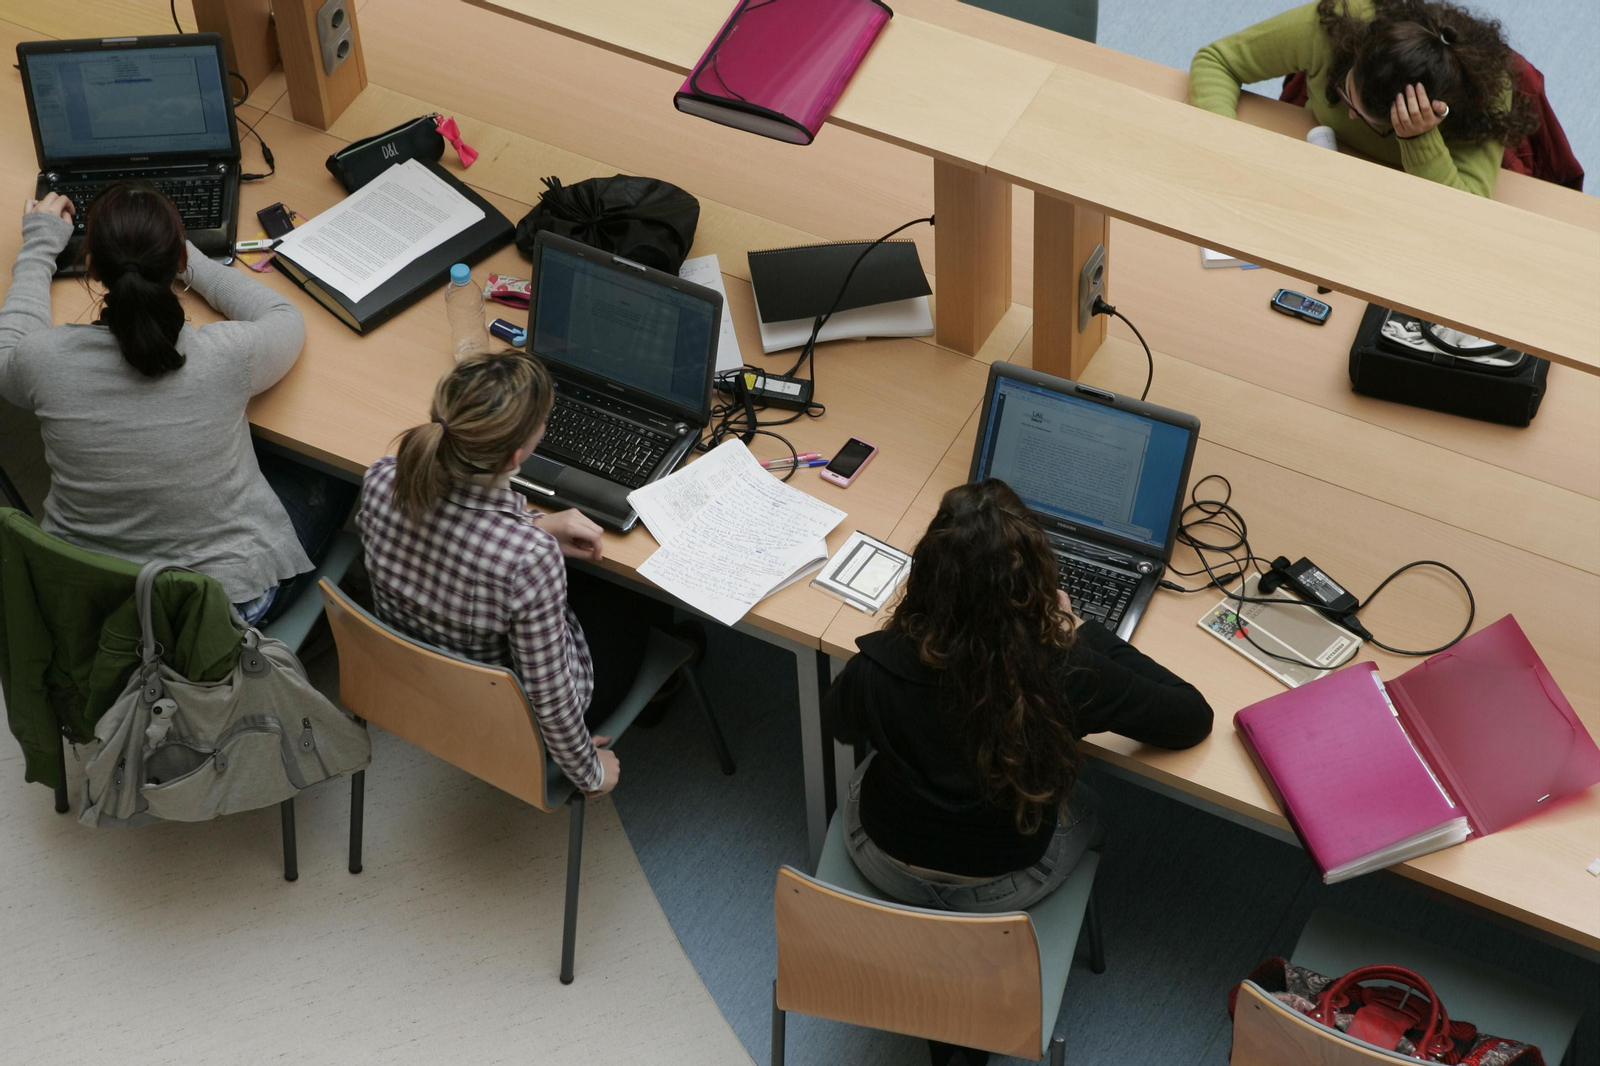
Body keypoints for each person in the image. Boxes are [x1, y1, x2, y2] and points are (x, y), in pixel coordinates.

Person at [824, 480, 1214, 912]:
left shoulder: (877, 663)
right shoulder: (1069, 671)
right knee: (1092, 805)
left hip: (882, 858)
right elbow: (1191, 718)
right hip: (1002, 885)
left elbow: (840, 723)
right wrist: (1081, 632)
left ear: (928, 576)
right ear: (1034, 582)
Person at [0, 183, 355, 624]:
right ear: (178, 264)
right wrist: (194, 261)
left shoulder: (44, 362)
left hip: (95, 607)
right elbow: (284, 319)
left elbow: (7, 350)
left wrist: (39, 246)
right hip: (220, 612)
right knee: (336, 468)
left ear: (91, 267)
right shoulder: (226, 355)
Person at [356, 351, 680, 796]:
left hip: (417, 682)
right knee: (634, 586)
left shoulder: (381, 478)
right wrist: (590, 771)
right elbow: (551, 700)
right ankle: (671, 681)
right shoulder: (529, 561)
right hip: (503, 718)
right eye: (545, 422)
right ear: (516, 456)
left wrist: (534, 525)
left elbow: (458, 529)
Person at [1189, 0, 1539, 198]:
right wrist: (1226, 147)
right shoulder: (1337, 21)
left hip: (1396, 204)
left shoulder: (1484, 92)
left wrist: (1419, 140)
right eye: (1347, 94)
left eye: (1367, 116)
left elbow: (1467, 210)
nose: (1351, 117)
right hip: (1314, 173)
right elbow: (1216, 61)